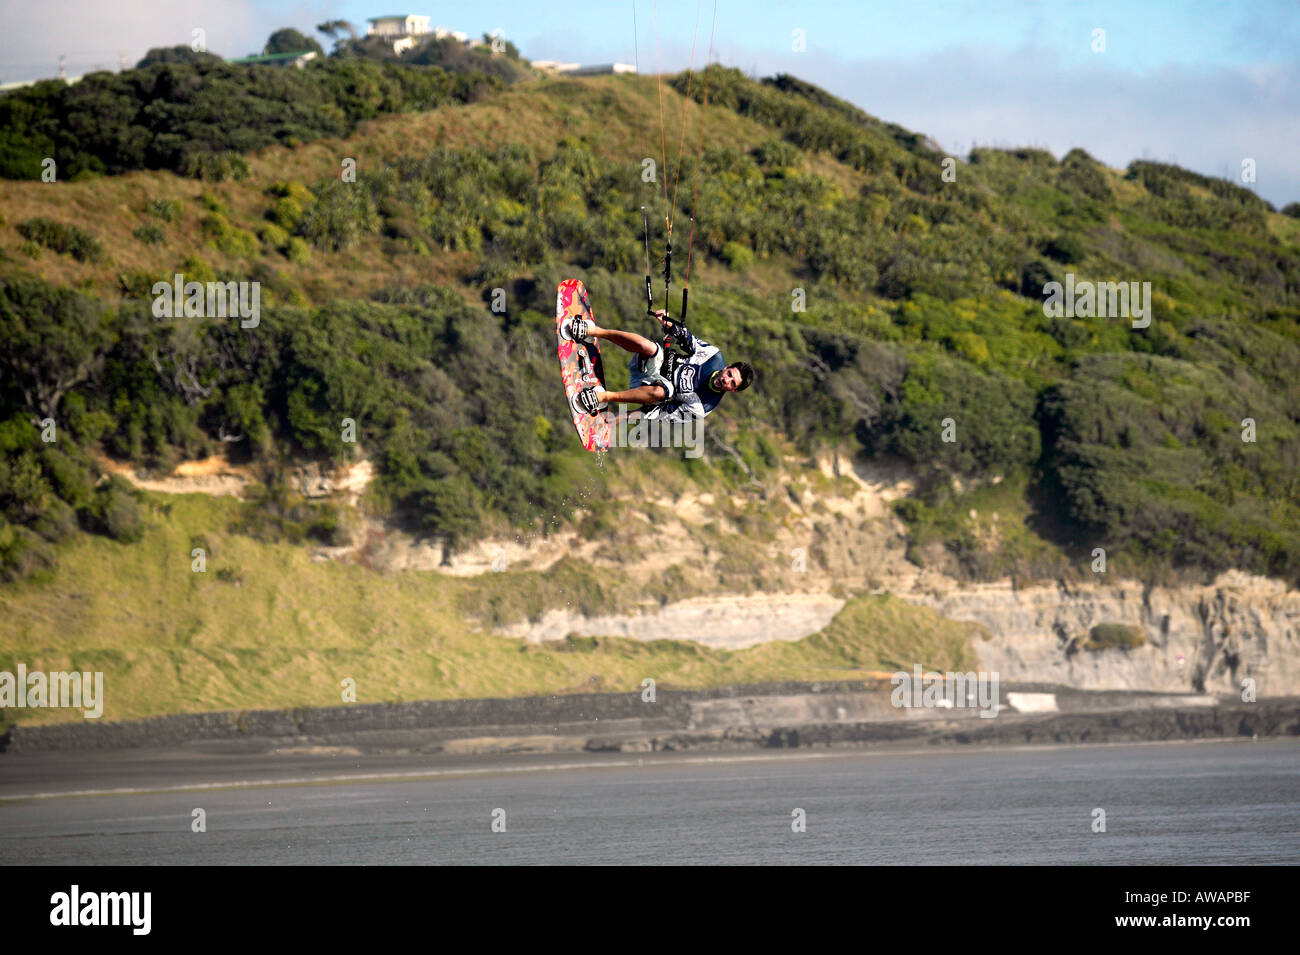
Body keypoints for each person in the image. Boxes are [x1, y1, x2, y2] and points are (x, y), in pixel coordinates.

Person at [563, 309, 754, 421]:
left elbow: (657, 413)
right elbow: (687, 339)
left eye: (732, 383)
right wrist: (669, 323)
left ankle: (602, 396)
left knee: (667, 392)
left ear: (734, 391)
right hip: (650, 365)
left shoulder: (702, 407)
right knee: (651, 347)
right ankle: (593, 331)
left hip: (648, 392)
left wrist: (616, 420)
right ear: (726, 367)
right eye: (729, 374)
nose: (725, 380)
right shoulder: (713, 356)